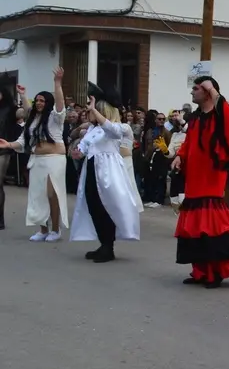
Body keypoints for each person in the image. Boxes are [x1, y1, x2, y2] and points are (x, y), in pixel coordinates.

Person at [171, 77, 229, 288]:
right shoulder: (196, 117)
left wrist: (213, 89)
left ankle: (214, 272)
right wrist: (180, 156)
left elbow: (226, 112)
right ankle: (200, 270)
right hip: (194, 177)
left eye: (197, 88)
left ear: (209, 92)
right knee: (195, 227)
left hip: (211, 176)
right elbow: (189, 142)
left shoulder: (222, 114)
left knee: (210, 227)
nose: (192, 92)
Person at [69, 84, 141, 262]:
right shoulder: (93, 130)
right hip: (92, 169)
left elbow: (112, 130)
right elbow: (84, 147)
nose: (90, 112)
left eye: (93, 110)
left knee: (107, 207)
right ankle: (103, 243)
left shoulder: (120, 127)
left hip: (109, 172)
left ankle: (109, 246)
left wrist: (95, 110)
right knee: (94, 206)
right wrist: (77, 152)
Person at [0, 68, 68, 240]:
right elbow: (23, 142)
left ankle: (55, 230)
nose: (39, 103)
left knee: (52, 194)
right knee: (38, 195)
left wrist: (57, 83)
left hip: (55, 160)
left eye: (42, 100)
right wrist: (8, 144)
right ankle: (43, 230)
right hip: (37, 160)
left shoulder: (55, 117)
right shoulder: (32, 121)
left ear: (48, 103)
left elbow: (60, 105)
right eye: (37, 100)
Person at [0, 78, 20, 229]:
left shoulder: (10, 109)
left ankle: (0, 218)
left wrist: (23, 96)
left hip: (3, 149)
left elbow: (25, 113)